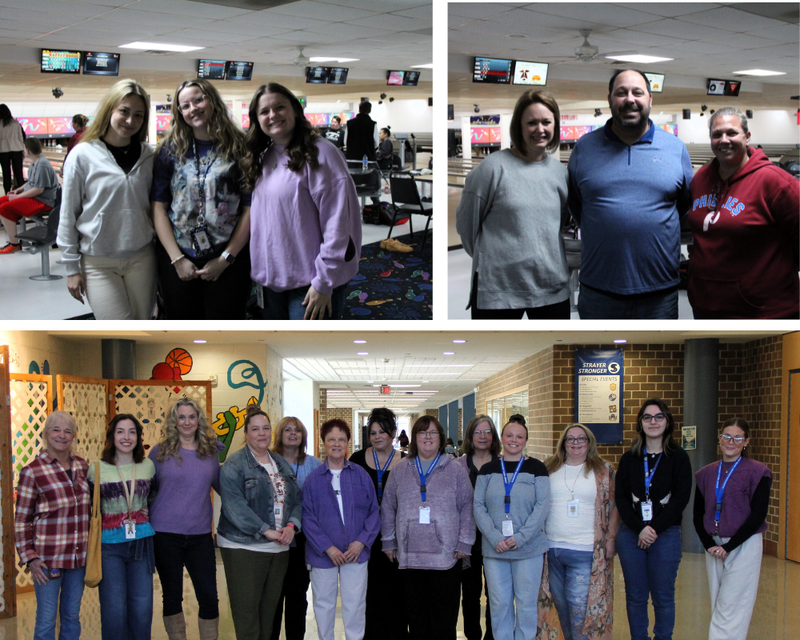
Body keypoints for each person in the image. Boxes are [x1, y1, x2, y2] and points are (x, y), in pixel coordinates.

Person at [567, 69, 693, 319]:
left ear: (650, 99)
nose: (629, 99)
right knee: (596, 358)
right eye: (621, 92)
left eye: (638, 92)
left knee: (659, 359)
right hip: (598, 290)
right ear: (610, 100)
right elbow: (577, 205)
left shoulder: (675, 148)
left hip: (660, 292)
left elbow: (683, 205)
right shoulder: (584, 148)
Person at [243, 83, 362, 320]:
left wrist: (324, 282)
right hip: (272, 280)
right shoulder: (263, 157)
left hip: (312, 284)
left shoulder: (321, 153)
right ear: (257, 119)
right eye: (264, 111)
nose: (273, 115)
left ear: (296, 111)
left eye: (279, 107)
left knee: (308, 349)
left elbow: (339, 223)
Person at [457, 90, 570, 319]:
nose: (540, 129)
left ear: (555, 126)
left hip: (551, 288)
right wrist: (492, 262)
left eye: (546, 122)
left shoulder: (561, 173)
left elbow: (561, 224)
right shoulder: (492, 168)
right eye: (531, 122)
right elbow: (466, 226)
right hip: (499, 291)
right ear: (518, 126)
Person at [152, 78, 252, 319]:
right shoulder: (170, 150)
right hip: (179, 257)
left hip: (228, 258)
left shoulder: (239, 147)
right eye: (185, 106)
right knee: (182, 327)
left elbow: (250, 208)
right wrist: (177, 259)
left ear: (212, 101)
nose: (192, 108)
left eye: (198, 100)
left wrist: (226, 258)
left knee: (226, 325)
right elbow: (158, 208)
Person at [57, 78, 156, 320]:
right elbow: (68, 214)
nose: (130, 120)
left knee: (143, 326)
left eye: (139, 115)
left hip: (142, 258)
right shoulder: (82, 155)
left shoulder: (150, 156)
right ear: (110, 109)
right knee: (118, 328)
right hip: (97, 262)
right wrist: (71, 268)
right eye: (124, 111)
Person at [687, 107, 799, 319]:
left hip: (763, 312)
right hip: (705, 306)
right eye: (717, 134)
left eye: (731, 133)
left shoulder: (775, 182)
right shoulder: (701, 178)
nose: (724, 140)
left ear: (747, 137)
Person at [381, 416, 475, 640]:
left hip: (447, 558)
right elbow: (387, 506)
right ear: (414, 438)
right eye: (422, 433)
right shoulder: (400, 469)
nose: (428, 437)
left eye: (433, 433)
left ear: (441, 438)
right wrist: (388, 541)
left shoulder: (455, 469)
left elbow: (467, 507)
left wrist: (465, 543)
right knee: (417, 621)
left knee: (444, 621)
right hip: (410, 557)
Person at [217, 406, 302, 640]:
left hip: (279, 548)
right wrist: (266, 531)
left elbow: (296, 498)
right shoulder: (235, 465)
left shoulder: (279, 462)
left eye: (265, 428)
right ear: (246, 434)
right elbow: (235, 509)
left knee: (268, 616)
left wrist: (291, 526)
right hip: (244, 548)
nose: (262, 433)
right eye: (255, 429)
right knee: (248, 618)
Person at [615, 399, 692, 640]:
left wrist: (654, 529)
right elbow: (621, 499)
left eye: (659, 417)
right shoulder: (629, 458)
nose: (653, 422)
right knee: (636, 596)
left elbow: (680, 499)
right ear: (640, 423)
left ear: (668, 422)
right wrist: (640, 529)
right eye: (647, 417)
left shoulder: (678, 457)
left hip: (666, 534)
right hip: (631, 534)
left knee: (663, 596)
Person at [148, 398, 222, 640]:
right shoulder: (160, 452)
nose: (187, 422)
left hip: (200, 535)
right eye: (182, 417)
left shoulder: (210, 452)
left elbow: (224, 488)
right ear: (174, 421)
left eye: (192, 416)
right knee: (171, 596)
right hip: (165, 534)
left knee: (209, 596)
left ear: (198, 419)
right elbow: (147, 490)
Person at [539, 423, 620, 640]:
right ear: (563, 443)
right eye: (570, 439)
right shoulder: (549, 468)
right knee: (561, 608)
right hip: (552, 549)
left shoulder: (602, 470)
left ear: (589, 442)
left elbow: (614, 507)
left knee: (579, 611)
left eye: (581, 438)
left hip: (585, 551)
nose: (575, 443)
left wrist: (611, 538)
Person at [693, 418, 772, 640]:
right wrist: (709, 544)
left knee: (734, 604)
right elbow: (697, 514)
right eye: (727, 436)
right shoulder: (705, 474)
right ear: (720, 439)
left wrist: (730, 545)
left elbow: (758, 515)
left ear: (746, 442)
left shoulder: (758, 472)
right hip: (714, 546)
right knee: (719, 601)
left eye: (738, 438)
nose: (731, 442)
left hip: (743, 544)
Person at [14, 411, 90, 640]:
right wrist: (30, 558)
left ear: (74, 436)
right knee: (47, 619)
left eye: (68, 431)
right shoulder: (33, 471)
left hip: (77, 559)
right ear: (46, 434)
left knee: (71, 617)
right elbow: (21, 521)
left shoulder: (82, 467)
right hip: (47, 561)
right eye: (56, 430)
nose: (62, 435)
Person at [303, 419, 380, 640]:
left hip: (355, 554)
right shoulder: (313, 480)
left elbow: (374, 512)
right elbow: (307, 517)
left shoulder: (360, 475)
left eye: (341, 439)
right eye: (331, 439)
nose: (336, 444)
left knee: (355, 605)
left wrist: (361, 542)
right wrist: (328, 548)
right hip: (324, 556)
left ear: (348, 443)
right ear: (323, 443)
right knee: (323, 605)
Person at [473, 418, 549, 640]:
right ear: (502, 439)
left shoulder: (537, 468)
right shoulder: (488, 469)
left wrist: (521, 538)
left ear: (525, 440)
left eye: (519, 436)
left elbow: (543, 506)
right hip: (495, 550)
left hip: (528, 550)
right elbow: (478, 506)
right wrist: (495, 537)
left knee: (526, 605)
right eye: (509, 435)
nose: (514, 440)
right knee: (499, 604)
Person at [88, 414, 157, 640]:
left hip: (141, 544)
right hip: (109, 547)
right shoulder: (96, 469)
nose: (126, 437)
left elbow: (156, 497)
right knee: (114, 608)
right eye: (120, 431)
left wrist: (150, 510)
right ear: (111, 436)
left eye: (132, 432)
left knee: (142, 607)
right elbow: (90, 506)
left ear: (138, 437)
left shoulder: (148, 466)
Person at [349, 408, 409, 640]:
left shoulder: (406, 461)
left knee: (397, 592)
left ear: (393, 433)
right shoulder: (356, 460)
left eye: (382, 432)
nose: (377, 437)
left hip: (397, 536)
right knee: (370, 592)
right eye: (372, 432)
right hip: (366, 537)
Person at [270, 417, 322, 640]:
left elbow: (319, 501)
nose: (293, 434)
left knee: (297, 597)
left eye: (297, 430)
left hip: (301, 541)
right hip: (271, 538)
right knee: (272, 597)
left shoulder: (313, 464)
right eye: (288, 430)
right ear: (279, 434)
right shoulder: (268, 461)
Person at [457, 414, 501, 640]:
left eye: (487, 432)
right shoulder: (457, 466)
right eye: (478, 432)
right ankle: (472, 635)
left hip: (495, 540)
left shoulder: (503, 465)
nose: (483, 436)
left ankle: (493, 636)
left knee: (496, 594)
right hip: (467, 541)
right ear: (470, 436)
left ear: (493, 436)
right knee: (470, 594)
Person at [0, 138, 58, 253]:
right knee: (1, 201)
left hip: (43, 201)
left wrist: (17, 198)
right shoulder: (34, 162)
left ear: (28, 151)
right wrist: (17, 190)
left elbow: (38, 190)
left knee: (4, 208)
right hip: (35, 196)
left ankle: (14, 244)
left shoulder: (42, 165)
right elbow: (31, 182)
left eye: (24, 148)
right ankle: (13, 238)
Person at [0, 103, 25, 196]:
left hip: (3, 151)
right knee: (18, 174)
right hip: (17, 150)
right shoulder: (15, 123)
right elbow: (21, 137)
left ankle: (7, 194)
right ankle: (21, 195)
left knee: (6, 174)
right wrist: (23, 150)